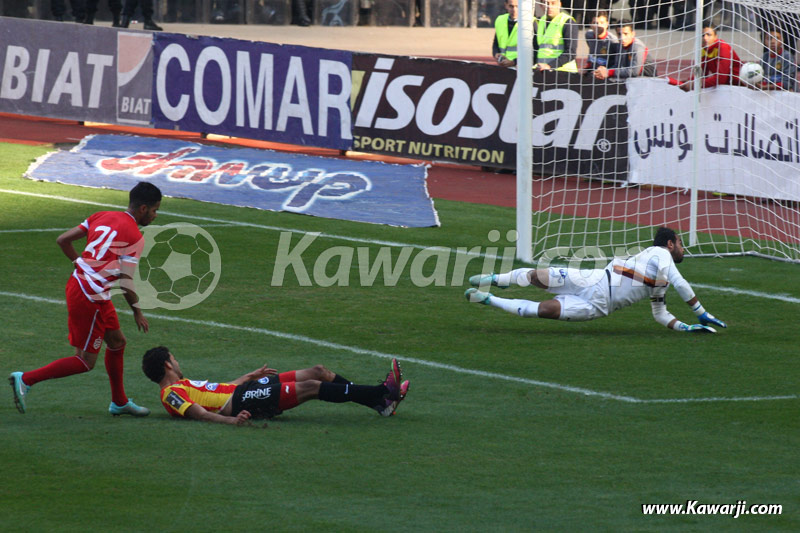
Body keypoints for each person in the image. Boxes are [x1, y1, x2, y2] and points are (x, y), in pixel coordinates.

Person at [9, 182, 162, 416]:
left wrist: (79, 263)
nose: (155, 216)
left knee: (117, 342)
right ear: (143, 208)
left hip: (88, 289)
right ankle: (26, 379)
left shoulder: (102, 215)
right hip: (89, 296)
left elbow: (63, 240)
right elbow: (126, 281)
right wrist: (137, 311)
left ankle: (119, 402)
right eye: (154, 210)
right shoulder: (134, 237)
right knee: (85, 361)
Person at [464, 227, 727, 333]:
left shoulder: (661, 283)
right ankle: (495, 278)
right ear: (670, 244)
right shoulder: (659, 254)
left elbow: (659, 313)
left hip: (598, 307)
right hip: (595, 280)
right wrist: (700, 312)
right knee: (539, 276)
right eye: (680, 243)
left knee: (544, 310)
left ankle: (489, 299)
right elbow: (681, 283)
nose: (684, 249)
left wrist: (685, 327)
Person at [141, 347, 410, 424]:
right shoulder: (170, 395)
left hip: (243, 391)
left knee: (318, 372)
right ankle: (383, 393)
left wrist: (248, 376)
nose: (178, 362)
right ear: (167, 365)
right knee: (312, 387)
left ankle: (380, 403)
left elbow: (217, 391)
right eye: (174, 359)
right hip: (244, 402)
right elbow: (198, 413)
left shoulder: (184, 384)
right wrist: (231, 421)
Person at [670, 26, 741, 91]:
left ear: (715, 37)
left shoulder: (723, 48)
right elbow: (701, 73)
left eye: (708, 35)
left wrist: (696, 84)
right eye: (702, 35)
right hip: (727, 86)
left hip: (740, 85)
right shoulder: (703, 49)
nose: (705, 38)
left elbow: (721, 78)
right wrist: (687, 81)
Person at [534, 0, 579, 73]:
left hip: (564, 72)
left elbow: (571, 52)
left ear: (559, 4)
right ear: (541, 5)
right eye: (546, 3)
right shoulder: (540, 21)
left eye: (553, 3)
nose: (549, 6)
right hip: (543, 70)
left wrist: (550, 65)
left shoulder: (567, 21)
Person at [492, 0, 519, 68]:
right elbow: (496, 43)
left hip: (521, 68)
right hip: (504, 67)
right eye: (511, 6)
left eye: (517, 6)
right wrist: (496, 54)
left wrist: (514, 62)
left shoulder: (530, 23)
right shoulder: (500, 20)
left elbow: (534, 50)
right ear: (506, 5)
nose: (514, 10)